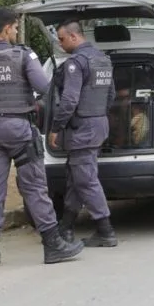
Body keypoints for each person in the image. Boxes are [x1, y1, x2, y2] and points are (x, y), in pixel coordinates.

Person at [0, 8, 83, 268]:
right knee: (35, 187)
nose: (16, 32)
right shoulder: (23, 56)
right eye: (14, 28)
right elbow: (43, 88)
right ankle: (53, 244)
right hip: (19, 130)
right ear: (6, 29)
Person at [51, 19, 118, 248]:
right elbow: (111, 95)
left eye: (61, 39)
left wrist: (56, 127)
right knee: (76, 177)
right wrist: (98, 117)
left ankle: (105, 229)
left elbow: (69, 100)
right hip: (98, 125)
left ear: (73, 36)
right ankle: (66, 228)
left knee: (86, 180)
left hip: (82, 129)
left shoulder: (76, 63)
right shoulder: (103, 60)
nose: (60, 44)